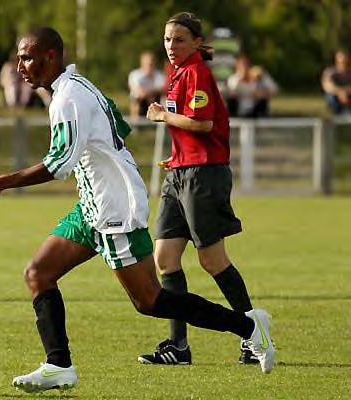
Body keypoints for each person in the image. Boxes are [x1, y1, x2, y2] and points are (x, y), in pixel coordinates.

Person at [0, 26, 275, 393]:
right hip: (94, 203)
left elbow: (57, 164)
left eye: (27, 57)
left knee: (149, 301)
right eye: (18, 58)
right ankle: (58, 365)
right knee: (38, 273)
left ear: (50, 57)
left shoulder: (68, 99)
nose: (20, 66)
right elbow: (119, 129)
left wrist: (1, 182)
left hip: (114, 207)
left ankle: (249, 327)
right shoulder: (76, 87)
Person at [142, 12, 261, 366]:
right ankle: (178, 347)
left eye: (179, 39)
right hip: (181, 173)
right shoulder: (177, 74)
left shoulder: (197, 72)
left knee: (212, 260)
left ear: (197, 42)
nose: (171, 46)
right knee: (165, 259)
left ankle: (253, 336)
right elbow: (189, 130)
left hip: (204, 176)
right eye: (166, 40)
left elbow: (203, 123)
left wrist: (163, 115)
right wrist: (176, 156)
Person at [128, 51, 165, 119]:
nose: (149, 65)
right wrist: (148, 93)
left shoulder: (159, 75)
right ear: (142, 63)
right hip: (140, 99)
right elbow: (136, 89)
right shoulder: (135, 74)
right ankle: (136, 122)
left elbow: (161, 88)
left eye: (151, 63)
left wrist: (148, 93)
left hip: (154, 99)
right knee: (136, 98)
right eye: (147, 63)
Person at [321, 49, 351, 115]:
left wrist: (345, 91)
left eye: (345, 58)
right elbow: (327, 87)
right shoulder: (330, 72)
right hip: (336, 98)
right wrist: (340, 92)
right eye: (341, 58)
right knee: (330, 96)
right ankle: (335, 113)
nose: (343, 60)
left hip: (348, 96)